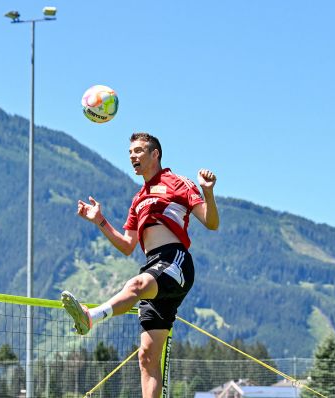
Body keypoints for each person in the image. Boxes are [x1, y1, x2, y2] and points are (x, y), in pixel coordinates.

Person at [61, 132, 219, 398]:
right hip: (153, 267)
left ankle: (91, 317)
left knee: (136, 284)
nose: (132, 156)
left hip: (175, 261)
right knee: (147, 357)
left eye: (138, 151)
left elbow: (212, 223)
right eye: (130, 153)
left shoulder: (179, 183)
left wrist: (208, 192)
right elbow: (127, 246)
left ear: (154, 154)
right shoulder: (138, 199)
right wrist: (100, 220)